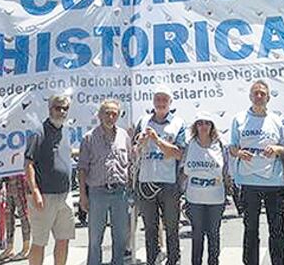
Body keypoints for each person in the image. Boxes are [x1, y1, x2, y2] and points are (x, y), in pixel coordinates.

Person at [229, 80, 284, 265]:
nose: (259, 96)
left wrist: (276, 149)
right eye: (256, 93)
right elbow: (232, 147)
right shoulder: (239, 119)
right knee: (251, 229)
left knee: (277, 229)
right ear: (250, 96)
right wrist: (239, 153)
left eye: (262, 93)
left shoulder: (276, 120)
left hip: (273, 182)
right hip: (249, 182)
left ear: (268, 97)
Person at [133, 85, 186, 265]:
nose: (160, 103)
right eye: (157, 99)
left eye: (164, 99)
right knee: (150, 228)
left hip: (169, 183)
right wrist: (140, 144)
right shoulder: (143, 121)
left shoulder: (178, 123)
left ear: (170, 102)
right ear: (153, 101)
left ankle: (174, 260)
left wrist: (157, 140)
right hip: (146, 181)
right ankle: (152, 260)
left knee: (171, 227)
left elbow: (179, 153)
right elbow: (134, 150)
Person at [25, 94, 76, 265]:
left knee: (63, 239)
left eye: (65, 108)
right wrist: (35, 191)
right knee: (39, 242)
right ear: (50, 109)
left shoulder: (66, 130)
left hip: (65, 194)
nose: (61, 111)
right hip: (44, 196)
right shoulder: (38, 132)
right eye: (57, 108)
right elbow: (28, 164)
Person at [78, 99, 130, 265]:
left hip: (120, 192)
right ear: (100, 115)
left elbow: (130, 162)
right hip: (98, 192)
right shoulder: (89, 138)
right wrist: (83, 196)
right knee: (95, 238)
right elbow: (82, 169)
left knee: (120, 237)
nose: (111, 117)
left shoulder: (124, 136)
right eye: (107, 113)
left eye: (114, 113)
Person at [182, 112, 227, 265]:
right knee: (197, 235)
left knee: (214, 234)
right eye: (200, 123)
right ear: (195, 126)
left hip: (216, 198)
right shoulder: (189, 144)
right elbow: (183, 170)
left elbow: (226, 170)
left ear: (212, 126)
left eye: (207, 123)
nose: (203, 126)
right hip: (194, 198)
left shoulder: (220, 145)